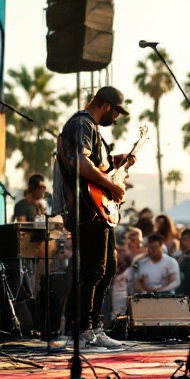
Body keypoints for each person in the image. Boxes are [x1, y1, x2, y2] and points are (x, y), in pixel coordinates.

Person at [53, 86, 135, 349]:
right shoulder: (82, 124)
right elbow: (81, 163)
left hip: (97, 210)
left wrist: (116, 162)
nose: (117, 118)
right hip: (86, 209)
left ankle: (94, 327)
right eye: (117, 112)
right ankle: (83, 330)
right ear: (106, 106)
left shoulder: (89, 128)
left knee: (107, 267)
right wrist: (112, 187)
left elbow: (96, 166)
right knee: (93, 270)